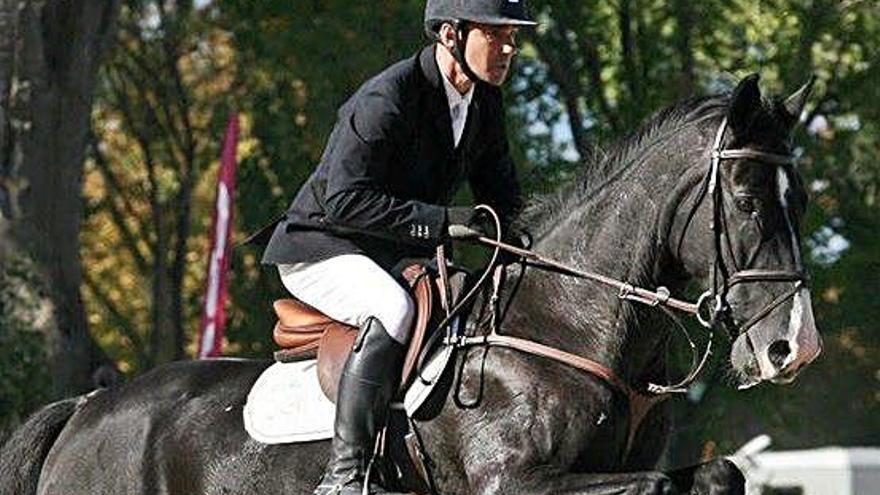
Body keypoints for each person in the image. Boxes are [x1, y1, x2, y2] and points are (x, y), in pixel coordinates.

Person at [261, 1, 536, 493]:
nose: (510, 47)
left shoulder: (484, 103)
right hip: (323, 244)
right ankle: (344, 477)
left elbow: (504, 200)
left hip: (387, 253)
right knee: (393, 310)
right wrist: (442, 223)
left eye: (513, 36)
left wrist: (537, 251)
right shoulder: (389, 96)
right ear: (451, 35)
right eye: (497, 35)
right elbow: (346, 201)